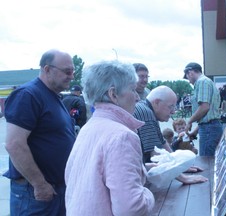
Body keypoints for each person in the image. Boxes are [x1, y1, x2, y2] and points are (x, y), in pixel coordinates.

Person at [65, 60, 155, 216]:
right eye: (133, 90)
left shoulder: (89, 127)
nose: (137, 98)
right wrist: (148, 195)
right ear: (113, 94)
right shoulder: (122, 136)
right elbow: (131, 208)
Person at [4, 49, 76, 215]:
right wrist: (39, 184)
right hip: (36, 195)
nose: (72, 76)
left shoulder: (53, 96)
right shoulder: (28, 95)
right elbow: (14, 144)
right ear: (47, 69)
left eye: (72, 71)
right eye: (67, 71)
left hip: (54, 190)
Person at [133, 85, 208, 184]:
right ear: (157, 102)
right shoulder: (146, 114)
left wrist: (179, 166)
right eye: (170, 106)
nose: (173, 111)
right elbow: (156, 154)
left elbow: (162, 143)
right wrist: (184, 178)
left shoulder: (146, 110)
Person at [183, 62, 223, 156]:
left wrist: (189, 121)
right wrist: (194, 132)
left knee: (206, 162)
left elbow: (204, 107)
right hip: (210, 128)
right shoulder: (207, 82)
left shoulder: (202, 82)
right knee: (210, 161)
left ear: (190, 72)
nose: (189, 81)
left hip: (209, 129)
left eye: (187, 77)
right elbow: (207, 116)